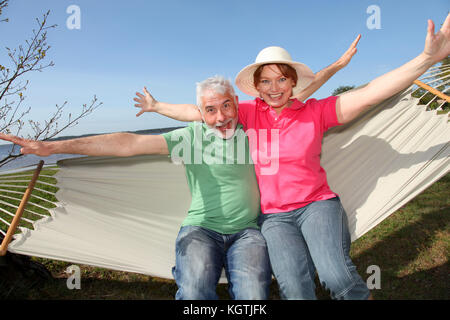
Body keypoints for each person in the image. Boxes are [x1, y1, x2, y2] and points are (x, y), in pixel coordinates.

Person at [133, 15, 450, 300]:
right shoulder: (246, 113)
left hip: (316, 205)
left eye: (282, 79)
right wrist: (157, 107)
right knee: (295, 290)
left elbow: (370, 94)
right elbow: (199, 112)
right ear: (256, 87)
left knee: (334, 275)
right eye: (266, 81)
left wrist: (425, 59)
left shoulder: (316, 111)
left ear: (293, 83)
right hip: (273, 218)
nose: (274, 88)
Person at [0, 77, 273, 300]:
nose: (221, 117)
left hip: (247, 232)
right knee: (193, 293)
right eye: (211, 110)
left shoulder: (256, 133)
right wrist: (51, 147)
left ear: (237, 103)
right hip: (201, 230)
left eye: (227, 106)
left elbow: (289, 103)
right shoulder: (191, 138)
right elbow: (127, 143)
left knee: (254, 296)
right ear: (200, 114)